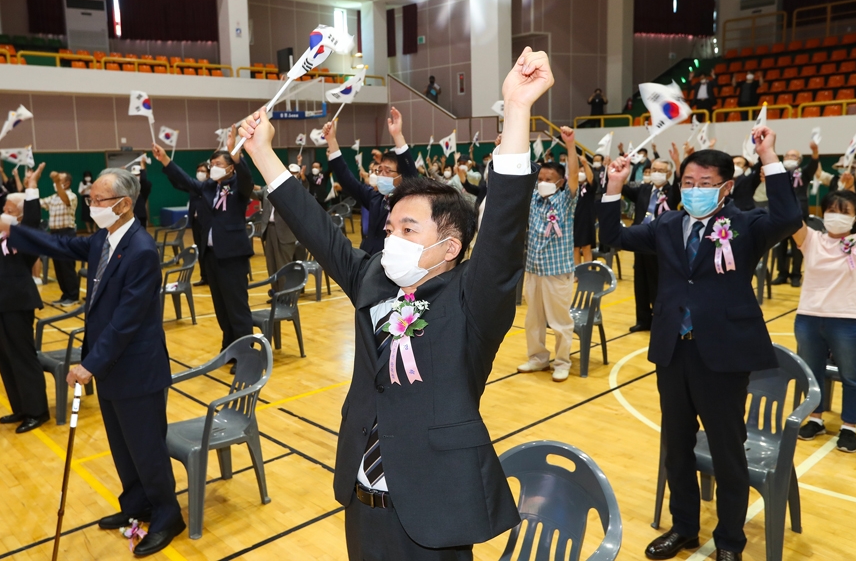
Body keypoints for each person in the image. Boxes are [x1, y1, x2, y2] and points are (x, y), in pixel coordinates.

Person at [236, 46, 550, 560]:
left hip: (434, 510)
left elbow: (504, 228)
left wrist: (517, 111)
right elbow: (314, 227)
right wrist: (262, 154)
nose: (391, 238)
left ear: (449, 248)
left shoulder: (473, 299)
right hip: (362, 502)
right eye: (389, 227)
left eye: (409, 228)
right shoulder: (372, 279)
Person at [599, 127, 802, 561]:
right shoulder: (666, 224)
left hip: (724, 355)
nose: (694, 190)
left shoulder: (745, 225)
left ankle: (730, 541)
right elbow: (613, 237)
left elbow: (787, 218)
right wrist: (614, 185)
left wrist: (768, 156)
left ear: (726, 188)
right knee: (676, 446)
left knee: (728, 452)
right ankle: (685, 527)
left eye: (705, 184)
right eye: (688, 183)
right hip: (674, 352)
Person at [0, 167, 185, 556]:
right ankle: (136, 505)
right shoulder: (104, 239)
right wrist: (6, 227)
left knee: (147, 448)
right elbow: (60, 245)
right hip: (111, 367)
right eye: (91, 199)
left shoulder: (141, 250)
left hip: (136, 368)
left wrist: (90, 365)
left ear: (123, 204)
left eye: (98, 201)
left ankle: (168, 514)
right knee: (122, 446)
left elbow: (126, 321)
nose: (92, 206)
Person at [153, 133, 254, 350]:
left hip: (233, 256)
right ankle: (229, 347)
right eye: (212, 164)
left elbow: (246, 178)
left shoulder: (239, 186)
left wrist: (236, 154)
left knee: (237, 307)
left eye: (218, 164)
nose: (213, 167)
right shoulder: (209, 187)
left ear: (230, 168)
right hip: (211, 256)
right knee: (221, 307)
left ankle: (246, 353)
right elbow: (186, 181)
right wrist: (165, 161)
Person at [0, 163, 49, 433]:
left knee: (22, 357)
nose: (3, 215)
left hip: (17, 303)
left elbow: (31, 217)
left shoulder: (26, 235)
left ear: (20, 216)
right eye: (3, 210)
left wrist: (31, 188)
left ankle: (37, 411)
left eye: (9, 211)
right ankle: (20, 407)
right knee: (4, 357)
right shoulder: (1, 235)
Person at [792, 190, 856, 455]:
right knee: (811, 373)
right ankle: (815, 418)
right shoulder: (811, 238)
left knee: (852, 377)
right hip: (809, 318)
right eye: (832, 209)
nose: (836, 215)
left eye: (844, 211)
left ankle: (849, 426)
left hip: (850, 319)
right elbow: (788, 213)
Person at [518, 127, 578, 381]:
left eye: (548, 178)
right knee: (533, 320)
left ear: (560, 182)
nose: (542, 181)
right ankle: (538, 358)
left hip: (557, 272)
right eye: (540, 177)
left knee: (560, 321)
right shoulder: (532, 199)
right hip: (533, 270)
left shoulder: (565, 200)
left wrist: (571, 145)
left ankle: (562, 361)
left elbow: (575, 173)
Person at [325, 107, 418, 255]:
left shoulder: (407, 200)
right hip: (368, 260)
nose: (381, 174)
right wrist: (332, 141)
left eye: (388, 171)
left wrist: (397, 135)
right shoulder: (375, 198)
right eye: (380, 170)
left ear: (400, 177)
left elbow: (411, 175)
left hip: (392, 264)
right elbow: (348, 181)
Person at [620, 157, 681, 332]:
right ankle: (643, 319)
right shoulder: (644, 189)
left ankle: (659, 318)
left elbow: (678, 184)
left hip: (661, 241)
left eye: (661, 171)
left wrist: (678, 163)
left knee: (658, 280)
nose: (656, 173)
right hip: (641, 239)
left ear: (668, 174)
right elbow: (622, 188)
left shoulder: (672, 191)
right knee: (640, 280)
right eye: (654, 169)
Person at [771, 143, 819, 287]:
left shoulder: (803, 173)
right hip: (780, 213)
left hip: (798, 213)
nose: (789, 158)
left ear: (799, 160)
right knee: (780, 245)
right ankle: (782, 274)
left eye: (793, 156)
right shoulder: (778, 173)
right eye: (787, 155)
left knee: (798, 245)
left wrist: (815, 151)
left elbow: (813, 165)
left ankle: (796, 275)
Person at [41, 171, 80, 306]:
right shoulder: (53, 198)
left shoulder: (71, 196)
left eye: (60, 180)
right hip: (54, 234)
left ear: (67, 183)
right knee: (58, 266)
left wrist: (57, 182)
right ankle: (65, 295)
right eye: (56, 180)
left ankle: (73, 296)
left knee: (67, 266)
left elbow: (65, 200)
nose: (55, 183)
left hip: (66, 234)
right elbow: (38, 202)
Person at [573, 151, 596, 264]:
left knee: (586, 247)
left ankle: (587, 272)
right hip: (574, 220)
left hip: (586, 220)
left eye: (583, 172)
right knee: (575, 247)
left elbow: (591, 178)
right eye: (579, 171)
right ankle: (577, 273)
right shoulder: (572, 187)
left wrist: (585, 164)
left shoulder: (590, 187)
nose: (581, 173)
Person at [190, 162, 209, 286]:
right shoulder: (194, 187)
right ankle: (204, 277)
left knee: (207, 251)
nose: (200, 173)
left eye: (203, 171)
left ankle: (211, 276)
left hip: (207, 223)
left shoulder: (211, 187)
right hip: (196, 222)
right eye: (198, 171)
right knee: (200, 250)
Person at [131, 162, 152, 228]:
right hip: (129, 216)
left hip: (140, 215)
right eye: (134, 175)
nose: (135, 177)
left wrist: (142, 167)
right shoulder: (129, 186)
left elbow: (143, 180)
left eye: (137, 175)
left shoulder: (145, 186)